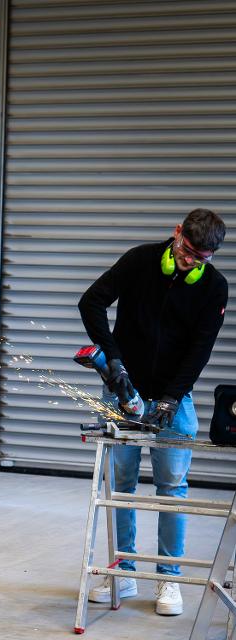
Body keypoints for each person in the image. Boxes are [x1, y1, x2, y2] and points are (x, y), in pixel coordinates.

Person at [78, 209, 228, 616]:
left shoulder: (214, 287)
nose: (189, 262)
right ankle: (123, 571)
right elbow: (91, 302)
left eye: (200, 258)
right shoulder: (140, 260)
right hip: (124, 392)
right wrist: (113, 358)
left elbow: (200, 349)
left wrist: (171, 398)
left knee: (172, 489)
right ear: (177, 233)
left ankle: (169, 578)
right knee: (120, 486)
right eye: (186, 251)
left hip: (173, 399)